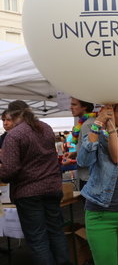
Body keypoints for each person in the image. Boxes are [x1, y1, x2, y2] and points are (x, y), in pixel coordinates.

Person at [0, 103, 72, 265]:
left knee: (38, 239)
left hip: (29, 193)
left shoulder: (14, 135)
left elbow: (9, 171)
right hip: (52, 188)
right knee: (56, 233)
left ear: (12, 114)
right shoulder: (45, 128)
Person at [77, 100, 118, 265]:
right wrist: (98, 122)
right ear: (111, 112)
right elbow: (83, 160)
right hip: (101, 215)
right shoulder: (98, 135)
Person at [65, 98, 95, 190]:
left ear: (84, 107)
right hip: (89, 176)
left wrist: (72, 162)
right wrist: (74, 154)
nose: (71, 107)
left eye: (74, 105)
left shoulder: (87, 124)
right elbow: (87, 149)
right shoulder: (87, 122)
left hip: (88, 177)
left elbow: (90, 155)